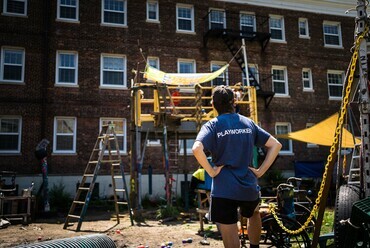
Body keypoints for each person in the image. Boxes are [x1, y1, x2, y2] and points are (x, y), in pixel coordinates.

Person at [192, 85, 282, 248]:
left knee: (229, 227)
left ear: (213, 105)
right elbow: (276, 145)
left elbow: (196, 149)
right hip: (248, 186)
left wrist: (211, 171)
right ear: (234, 102)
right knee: (254, 213)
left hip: (223, 190)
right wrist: (260, 171)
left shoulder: (212, 125)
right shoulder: (248, 123)